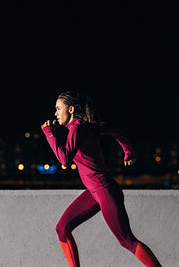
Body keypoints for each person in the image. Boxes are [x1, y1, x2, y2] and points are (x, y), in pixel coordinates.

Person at [41, 91, 162, 267]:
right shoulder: (86, 126)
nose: (56, 113)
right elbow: (117, 131)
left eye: (59, 108)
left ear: (72, 109)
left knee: (127, 240)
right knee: (62, 228)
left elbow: (65, 159)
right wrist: (128, 151)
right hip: (94, 191)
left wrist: (49, 134)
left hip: (104, 190)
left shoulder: (77, 128)